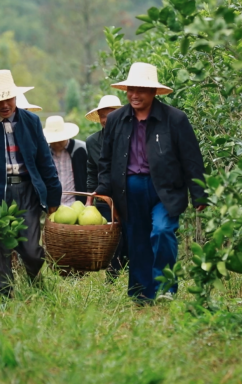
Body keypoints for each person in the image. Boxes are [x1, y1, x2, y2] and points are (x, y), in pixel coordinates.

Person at [91, 62, 207, 303]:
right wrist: (103, 190)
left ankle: (165, 287)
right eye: (131, 89)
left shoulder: (174, 119)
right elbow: (106, 158)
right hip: (129, 189)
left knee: (163, 231)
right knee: (137, 239)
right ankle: (141, 294)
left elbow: (191, 158)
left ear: (154, 92)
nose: (135, 95)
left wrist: (199, 193)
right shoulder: (116, 120)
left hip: (165, 188)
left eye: (141, 90)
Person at [0, 69, 61, 297]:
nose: (4, 104)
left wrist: (53, 196)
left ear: (15, 97)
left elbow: (44, 162)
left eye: (8, 98)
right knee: (0, 248)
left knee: (31, 249)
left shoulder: (31, 122)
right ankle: (2, 296)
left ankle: (34, 279)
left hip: (26, 190)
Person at [84, 95, 128, 278]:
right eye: (103, 116)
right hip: (105, 197)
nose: (106, 120)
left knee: (128, 237)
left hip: (127, 194)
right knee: (111, 237)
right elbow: (92, 172)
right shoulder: (93, 142)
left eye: (111, 115)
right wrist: (89, 199)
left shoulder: (130, 136)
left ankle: (127, 270)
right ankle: (112, 275)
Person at [42, 116, 87, 205]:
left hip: (77, 204)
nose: (57, 143)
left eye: (60, 140)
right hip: (53, 205)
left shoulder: (81, 149)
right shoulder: (44, 153)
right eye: (53, 141)